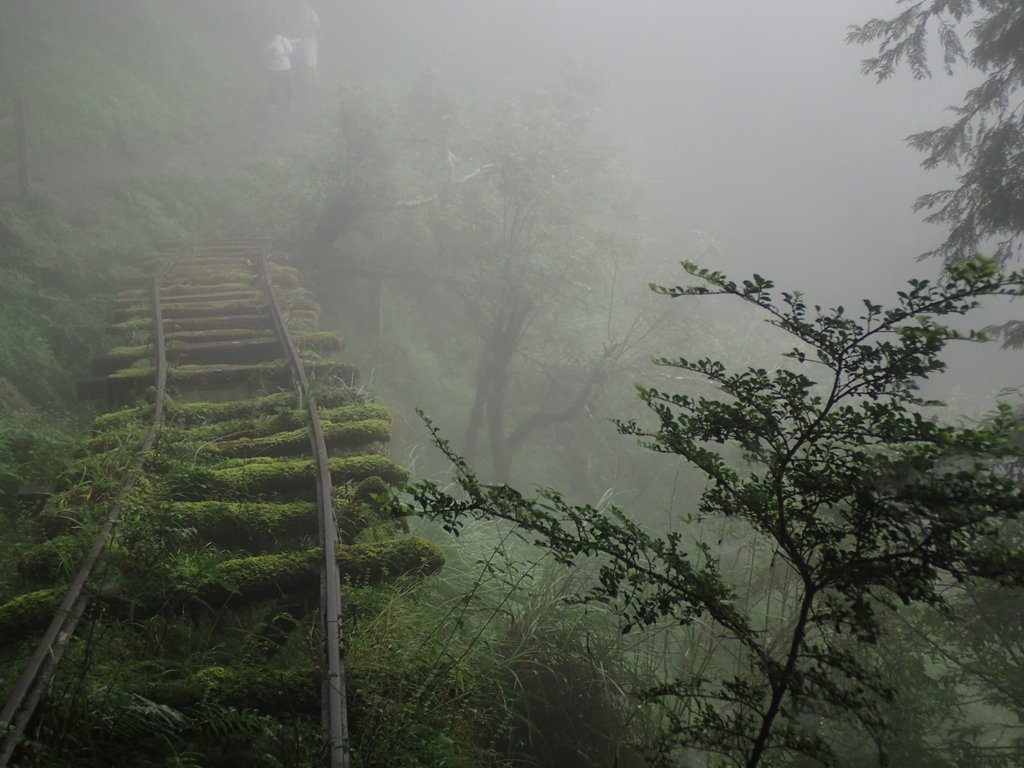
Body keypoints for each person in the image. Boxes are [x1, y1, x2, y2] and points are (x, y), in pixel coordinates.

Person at [294, 0, 321, 93]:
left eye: (302, 3)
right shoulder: (300, 14)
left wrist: (310, 30)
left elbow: (317, 25)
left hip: (311, 40)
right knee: (309, 62)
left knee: (311, 62)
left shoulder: (311, 13)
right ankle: (314, 84)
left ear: (306, 3)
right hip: (303, 40)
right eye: (299, 4)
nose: (300, 5)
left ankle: (310, 84)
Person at [266, 31, 294, 112]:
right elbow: (265, 53)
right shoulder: (267, 41)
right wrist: (269, 54)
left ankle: (290, 101)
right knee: (273, 87)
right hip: (271, 68)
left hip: (284, 67)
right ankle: (274, 104)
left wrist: (280, 54)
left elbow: (291, 51)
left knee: (287, 85)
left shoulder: (283, 39)